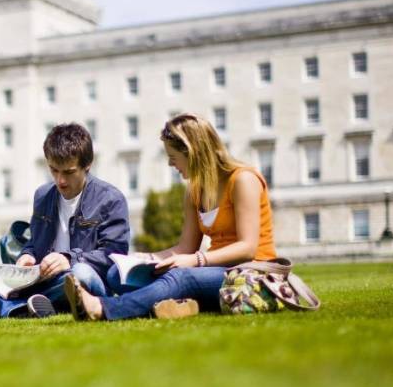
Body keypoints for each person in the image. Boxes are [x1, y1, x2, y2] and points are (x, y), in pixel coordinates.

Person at [64, 112, 277, 321]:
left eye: (173, 158)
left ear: (193, 152)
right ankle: (181, 305)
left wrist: (195, 261)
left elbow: (248, 248)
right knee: (117, 275)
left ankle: (103, 308)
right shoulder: (195, 190)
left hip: (251, 273)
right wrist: (147, 258)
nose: (170, 165)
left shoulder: (243, 180)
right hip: (214, 272)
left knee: (180, 277)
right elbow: (185, 248)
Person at [0, 123, 130, 317]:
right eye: (54, 170)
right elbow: (34, 243)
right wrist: (27, 256)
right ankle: (33, 305)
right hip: (41, 279)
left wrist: (69, 259)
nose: (60, 180)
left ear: (87, 165)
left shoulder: (111, 199)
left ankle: (12, 307)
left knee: (80, 274)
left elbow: (114, 255)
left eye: (68, 172)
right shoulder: (42, 195)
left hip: (82, 279)